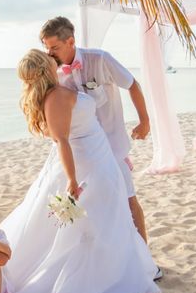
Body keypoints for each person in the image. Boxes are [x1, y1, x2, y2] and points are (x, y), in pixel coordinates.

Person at [0, 49, 159, 293]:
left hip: (100, 156)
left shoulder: (58, 90)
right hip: (87, 165)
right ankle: (97, 280)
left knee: (107, 218)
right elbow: (62, 142)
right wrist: (71, 180)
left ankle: (113, 272)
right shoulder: (55, 98)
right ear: (45, 69)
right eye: (48, 59)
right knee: (89, 226)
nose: (51, 57)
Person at [39, 17, 152, 244]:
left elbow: (132, 84)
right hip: (78, 153)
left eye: (54, 48)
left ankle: (144, 257)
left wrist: (144, 121)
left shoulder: (100, 59)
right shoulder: (52, 74)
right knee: (84, 206)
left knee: (128, 200)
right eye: (46, 48)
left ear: (71, 41)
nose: (49, 54)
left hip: (112, 147)